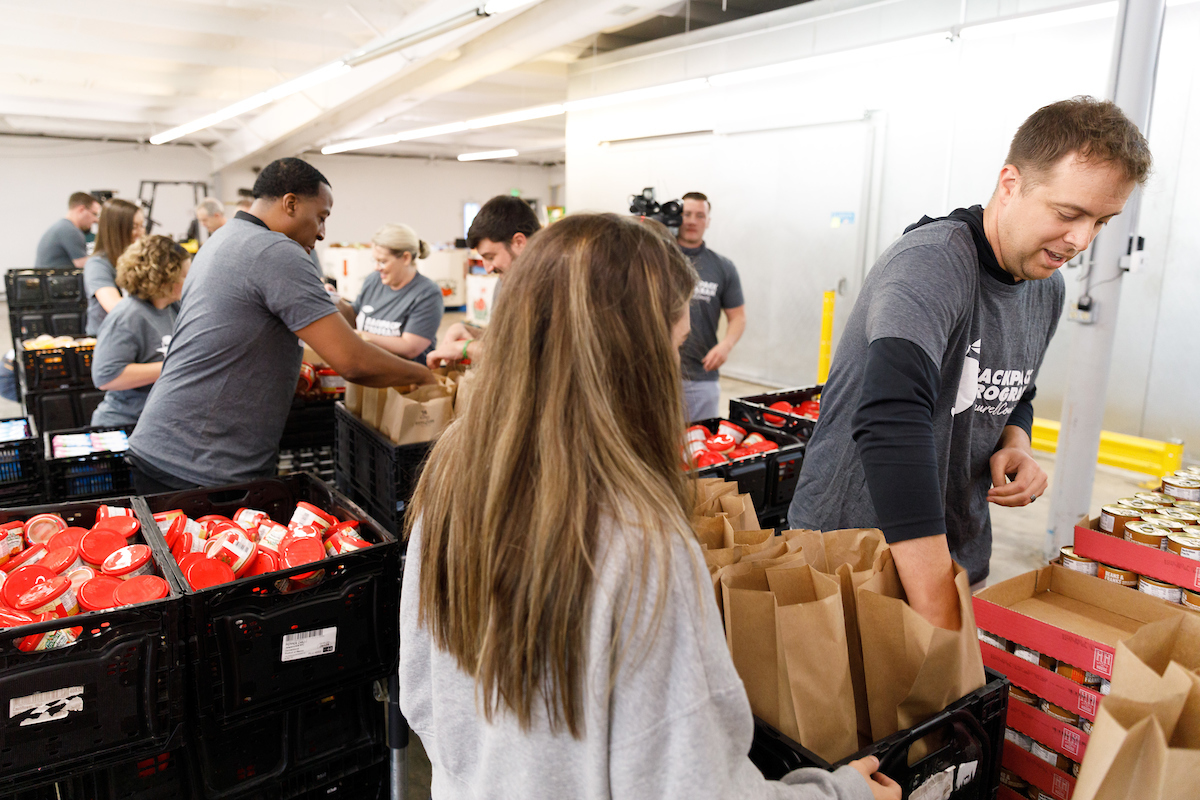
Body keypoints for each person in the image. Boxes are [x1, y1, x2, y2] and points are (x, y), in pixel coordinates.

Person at [399, 213, 898, 800]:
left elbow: (422, 695)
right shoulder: (639, 542)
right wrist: (843, 794)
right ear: (634, 359)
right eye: (675, 346)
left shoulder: (456, 471)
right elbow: (691, 789)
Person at [788, 97, 1152, 630]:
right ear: (1010, 184)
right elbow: (890, 417)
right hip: (851, 559)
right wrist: (938, 602)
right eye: (1069, 213)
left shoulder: (1044, 287)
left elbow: (1016, 390)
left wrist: (1017, 444)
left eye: (1102, 221)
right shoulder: (932, 264)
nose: (1081, 240)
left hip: (954, 555)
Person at [127, 157, 433, 493]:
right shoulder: (276, 251)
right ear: (290, 203)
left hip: (167, 447)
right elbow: (353, 361)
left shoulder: (225, 237)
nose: (321, 232)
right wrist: (422, 376)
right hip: (201, 465)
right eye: (321, 216)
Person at [426, 195, 540, 367]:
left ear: (519, 242)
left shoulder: (556, 286)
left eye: (491, 257)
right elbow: (506, 341)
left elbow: (530, 360)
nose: (487, 268)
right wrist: (470, 332)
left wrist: (467, 349)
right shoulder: (505, 281)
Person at [90, 236, 189, 427]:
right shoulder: (128, 316)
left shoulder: (174, 308)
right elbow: (106, 376)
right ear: (164, 278)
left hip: (160, 422)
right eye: (185, 275)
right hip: (127, 423)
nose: (190, 280)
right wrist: (177, 366)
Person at [676, 191, 746, 422]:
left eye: (699, 215)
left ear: (708, 221)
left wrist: (726, 345)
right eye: (686, 214)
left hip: (700, 377)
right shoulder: (656, 258)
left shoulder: (722, 266)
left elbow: (738, 317)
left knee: (702, 447)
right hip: (656, 374)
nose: (692, 221)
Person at [332, 223, 443, 364]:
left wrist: (362, 336)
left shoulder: (427, 293)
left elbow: (410, 347)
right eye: (375, 260)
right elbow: (354, 316)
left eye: (383, 261)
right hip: (371, 368)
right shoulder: (373, 280)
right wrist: (336, 301)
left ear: (406, 258)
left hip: (405, 377)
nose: (377, 267)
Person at [84, 199, 145, 336]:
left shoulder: (139, 259)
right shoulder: (98, 265)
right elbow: (114, 306)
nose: (140, 233)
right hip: (109, 339)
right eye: (134, 227)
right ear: (116, 229)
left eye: (142, 226)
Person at [35, 192, 99, 268]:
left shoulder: (62, 227)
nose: (96, 220)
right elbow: (83, 264)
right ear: (81, 210)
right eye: (94, 214)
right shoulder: (70, 231)